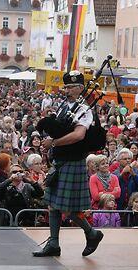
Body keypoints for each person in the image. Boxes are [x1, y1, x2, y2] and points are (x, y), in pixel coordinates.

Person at [33, 71, 104, 257]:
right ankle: (54, 244)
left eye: (71, 87)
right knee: (53, 205)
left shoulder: (84, 110)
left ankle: (92, 233)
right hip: (61, 160)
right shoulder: (67, 106)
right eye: (66, 86)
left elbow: (79, 135)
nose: (67, 90)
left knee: (70, 210)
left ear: (81, 88)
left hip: (73, 161)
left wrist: (54, 143)